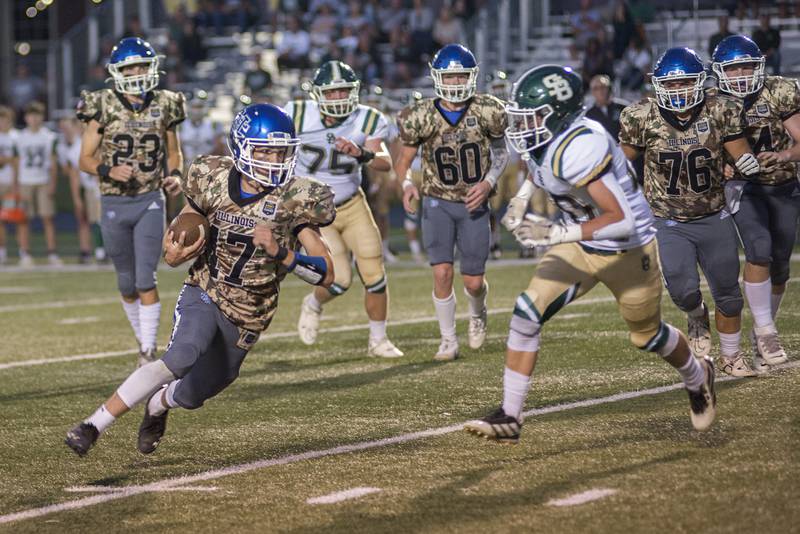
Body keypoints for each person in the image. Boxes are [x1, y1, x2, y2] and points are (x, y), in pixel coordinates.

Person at [65, 103, 336, 457]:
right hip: (206, 289)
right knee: (180, 356)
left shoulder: (295, 199)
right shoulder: (211, 175)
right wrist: (176, 252)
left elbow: (327, 272)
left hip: (249, 314)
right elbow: (189, 220)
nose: (274, 159)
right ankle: (92, 425)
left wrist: (282, 253)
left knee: (194, 394)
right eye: (265, 150)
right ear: (241, 147)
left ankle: (158, 405)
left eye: (280, 151)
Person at [464, 65, 717, 443]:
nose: (523, 124)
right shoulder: (547, 139)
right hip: (581, 245)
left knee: (647, 336)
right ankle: (510, 416)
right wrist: (518, 200)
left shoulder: (581, 144)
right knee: (526, 312)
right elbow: (539, 167)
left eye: (533, 116)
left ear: (559, 114)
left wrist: (556, 231)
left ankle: (698, 376)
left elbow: (622, 220)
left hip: (627, 249)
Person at [619, 47, 761, 377]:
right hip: (667, 220)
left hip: (713, 214)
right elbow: (621, 162)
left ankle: (731, 355)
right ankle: (696, 316)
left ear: (699, 82)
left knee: (728, 292)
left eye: (684, 82)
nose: (677, 90)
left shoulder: (719, 108)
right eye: (669, 85)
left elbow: (740, 154)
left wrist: (741, 165)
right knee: (682, 290)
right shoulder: (641, 116)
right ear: (657, 85)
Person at [76, 37, 186, 366]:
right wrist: (109, 169)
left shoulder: (166, 102)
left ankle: (148, 351)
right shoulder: (102, 104)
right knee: (125, 282)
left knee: (144, 278)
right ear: (117, 72)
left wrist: (176, 174)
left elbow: (174, 150)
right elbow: (84, 159)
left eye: (142, 65)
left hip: (150, 198)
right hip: (113, 201)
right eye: (130, 67)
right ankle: (143, 338)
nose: (137, 72)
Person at [395, 44, 508, 361]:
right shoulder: (420, 115)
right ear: (437, 77)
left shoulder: (488, 109)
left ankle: (478, 312)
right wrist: (406, 184)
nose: (456, 83)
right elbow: (403, 160)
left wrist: (488, 182)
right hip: (437, 200)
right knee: (442, 273)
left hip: (474, 201)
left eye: (461, 77)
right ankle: (448, 340)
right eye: (450, 76)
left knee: (473, 282)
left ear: (471, 77)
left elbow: (501, 153)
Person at [290, 61, 403, 359]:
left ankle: (378, 340)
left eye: (344, 91)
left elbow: (384, 162)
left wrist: (362, 153)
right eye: (332, 93)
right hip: (315, 212)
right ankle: (313, 303)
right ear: (318, 95)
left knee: (374, 271)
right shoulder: (297, 114)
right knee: (339, 280)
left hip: (353, 203)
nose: (339, 98)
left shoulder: (367, 119)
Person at [711, 34, 797, 371]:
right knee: (758, 248)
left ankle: (764, 331)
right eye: (733, 69)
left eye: (747, 66)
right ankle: (766, 330)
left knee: (780, 267)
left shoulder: (779, 90)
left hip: (782, 183)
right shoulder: (712, 101)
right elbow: (700, 151)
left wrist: (784, 154)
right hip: (743, 188)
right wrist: (722, 166)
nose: (742, 73)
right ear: (721, 72)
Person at [15, 101, 60, 267]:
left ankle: (52, 253)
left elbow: (53, 163)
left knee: (48, 218)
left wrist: (53, 183)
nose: (34, 119)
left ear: (42, 117)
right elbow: (16, 162)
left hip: (43, 180)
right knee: (23, 219)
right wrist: (16, 185)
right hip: (25, 181)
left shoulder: (49, 136)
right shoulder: (19, 137)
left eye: (37, 115)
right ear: (26, 118)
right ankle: (25, 252)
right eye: (31, 115)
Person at [58, 117, 105, 264]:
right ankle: (99, 251)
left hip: (106, 185)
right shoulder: (75, 148)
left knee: (105, 220)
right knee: (95, 219)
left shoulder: (99, 141)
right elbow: (74, 176)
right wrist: (77, 198)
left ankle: (104, 251)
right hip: (91, 188)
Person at [0, 106, 19, 265]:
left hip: (12, 183)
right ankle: (2, 251)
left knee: (17, 218)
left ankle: (22, 251)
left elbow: (17, 162)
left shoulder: (16, 137)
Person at [585, 74, 626, 141]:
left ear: (609, 88)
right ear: (592, 92)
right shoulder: (589, 115)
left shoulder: (623, 107)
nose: (600, 91)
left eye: (603, 87)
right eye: (596, 88)